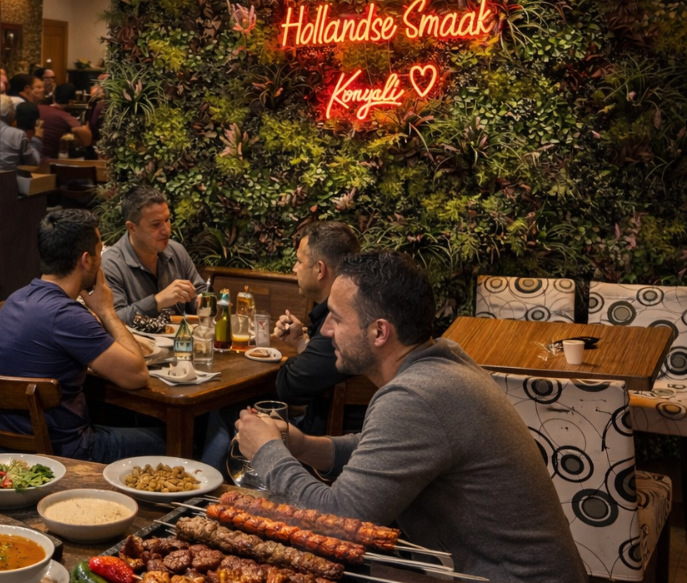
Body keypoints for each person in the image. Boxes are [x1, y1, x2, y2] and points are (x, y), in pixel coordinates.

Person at [235, 251, 586, 583]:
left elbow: (337, 521)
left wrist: (268, 452)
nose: (325, 331)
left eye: (337, 318)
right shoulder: (442, 358)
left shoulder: (415, 395)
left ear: (379, 332)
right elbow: (384, 449)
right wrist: (305, 445)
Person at [0, 209, 163, 462]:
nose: (101, 260)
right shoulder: (67, 316)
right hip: (58, 457)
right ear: (86, 260)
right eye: (100, 252)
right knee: (171, 441)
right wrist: (106, 310)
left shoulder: (16, 299)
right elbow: (137, 376)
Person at [271, 221, 361, 434]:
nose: (294, 268)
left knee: (230, 416)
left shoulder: (343, 321)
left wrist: (296, 359)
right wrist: (302, 343)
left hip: (333, 442)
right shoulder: (357, 306)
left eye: (299, 261)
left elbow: (289, 386)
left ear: (320, 269)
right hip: (334, 434)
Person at [102, 186, 206, 324]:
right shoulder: (111, 263)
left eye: (167, 220)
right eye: (156, 225)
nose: (166, 230)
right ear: (132, 228)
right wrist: (158, 301)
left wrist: (204, 302)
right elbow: (113, 320)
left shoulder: (176, 251)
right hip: (137, 344)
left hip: (181, 341)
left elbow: (199, 293)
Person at [38, 80, 92, 159]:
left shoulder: (39, 108)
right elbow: (87, 141)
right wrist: (86, 125)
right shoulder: (64, 116)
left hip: (31, 156)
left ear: (54, 96)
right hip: (46, 160)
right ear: (72, 101)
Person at [0, 95, 40, 171]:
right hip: (9, 179)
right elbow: (33, 163)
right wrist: (35, 139)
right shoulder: (18, 134)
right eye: (12, 109)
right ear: (7, 112)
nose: (14, 112)